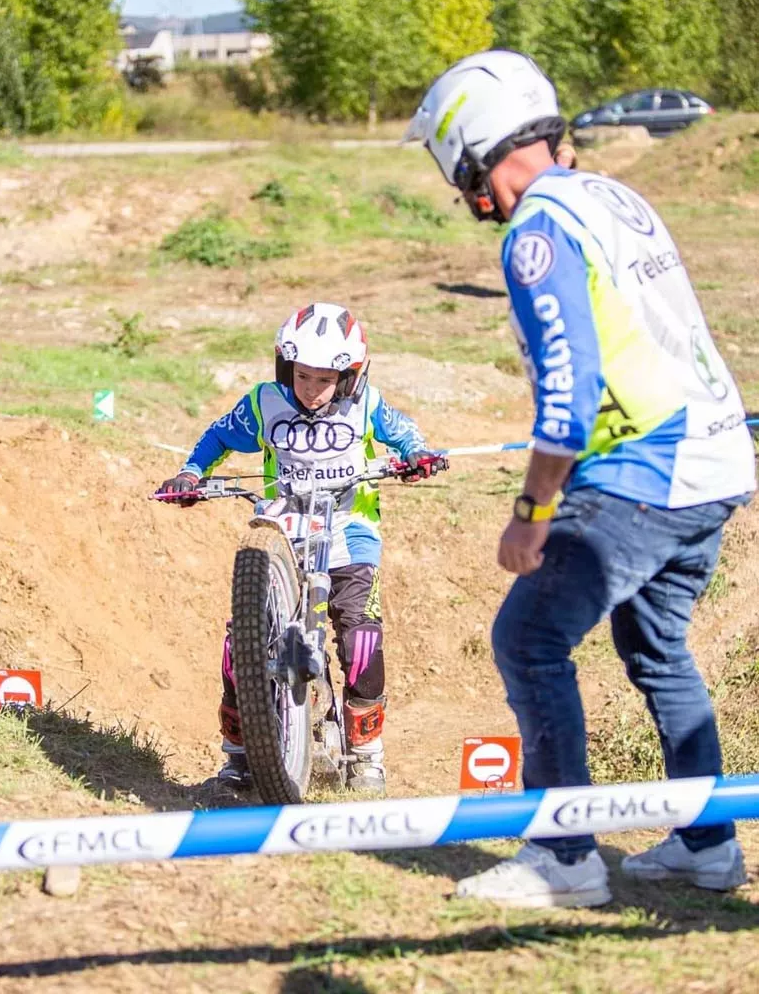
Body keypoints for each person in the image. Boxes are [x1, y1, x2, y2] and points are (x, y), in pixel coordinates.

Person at [405, 49, 755, 907]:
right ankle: (707, 844)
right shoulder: (610, 196)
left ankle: (564, 859)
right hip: (713, 457)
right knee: (656, 647)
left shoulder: (537, 230)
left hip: (648, 465)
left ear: (469, 150)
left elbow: (568, 394)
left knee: (527, 641)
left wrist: (532, 510)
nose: (459, 191)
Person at [157, 302, 443, 796]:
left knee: (360, 642)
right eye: (301, 376)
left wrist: (415, 456)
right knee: (239, 644)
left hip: (349, 531)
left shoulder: (366, 405)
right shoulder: (264, 402)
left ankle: (366, 757)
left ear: (350, 378)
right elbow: (218, 438)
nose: (308, 390)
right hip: (282, 529)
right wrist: (190, 474)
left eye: (323, 380)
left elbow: (406, 433)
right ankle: (240, 759)